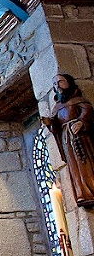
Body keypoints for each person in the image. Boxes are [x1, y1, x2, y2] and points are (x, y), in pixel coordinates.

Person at [42, 73, 94, 207]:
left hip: (81, 136)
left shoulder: (79, 100)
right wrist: (50, 123)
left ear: (69, 82)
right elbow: (56, 127)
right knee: (73, 165)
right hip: (66, 139)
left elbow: (87, 112)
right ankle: (81, 191)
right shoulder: (57, 107)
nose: (57, 85)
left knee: (85, 161)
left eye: (60, 81)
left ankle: (91, 188)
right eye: (55, 84)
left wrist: (82, 122)